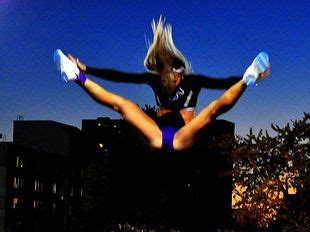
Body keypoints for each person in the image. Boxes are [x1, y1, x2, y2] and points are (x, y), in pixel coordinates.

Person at [53, 19, 270, 153]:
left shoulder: (194, 82)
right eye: (167, 76)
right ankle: (76, 76)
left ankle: (248, 77)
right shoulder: (156, 81)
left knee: (212, 110)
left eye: (175, 76)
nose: (171, 82)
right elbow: (120, 77)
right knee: (121, 105)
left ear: (181, 72)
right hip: (157, 135)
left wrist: (248, 77)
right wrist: (87, 69)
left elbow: (222, 84)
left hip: (182, 138)